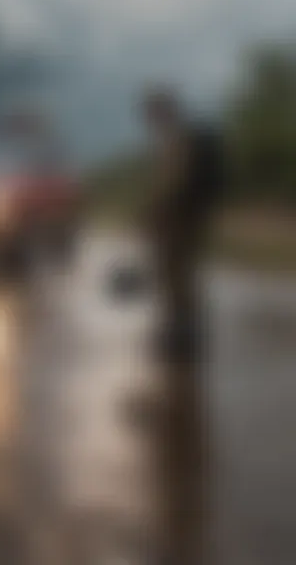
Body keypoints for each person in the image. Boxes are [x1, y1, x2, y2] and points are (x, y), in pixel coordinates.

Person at [140, 85, 225, 565]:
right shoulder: (177, 136)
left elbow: (171, 182)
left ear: (164, 110)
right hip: (186, 217)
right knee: (177, 278)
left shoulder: (177, 138)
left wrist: (153, 209)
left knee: (179, 278)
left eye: (152, 110)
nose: (149, 118)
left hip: (180, 218)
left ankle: (185, 335)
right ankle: (182, 331)